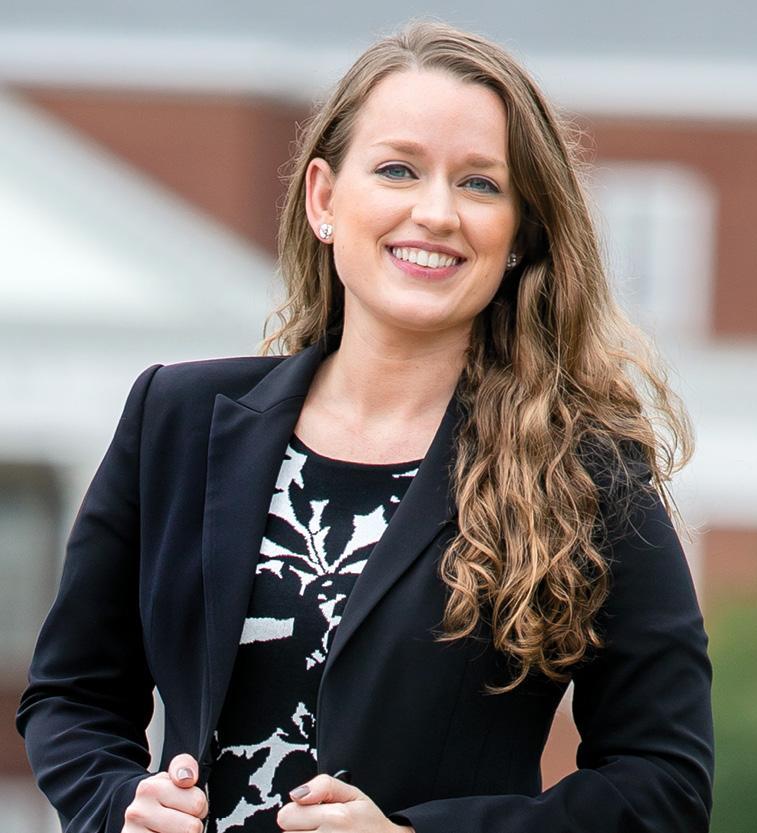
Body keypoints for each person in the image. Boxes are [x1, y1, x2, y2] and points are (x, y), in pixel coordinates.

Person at [17, 20, 714, 833]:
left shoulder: (587, 470)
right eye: (396, 169)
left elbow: (663, 783)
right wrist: (117, 806)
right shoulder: (175, 418)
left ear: (520, 232)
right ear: (323, 198)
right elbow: (70, 694)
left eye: (480, 184)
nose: (435, 211)